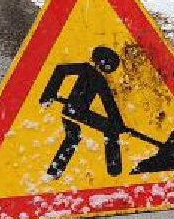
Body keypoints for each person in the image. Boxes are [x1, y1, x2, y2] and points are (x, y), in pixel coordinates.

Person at [38, 46, 126, 179]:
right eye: (106, 64)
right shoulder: (86, 69)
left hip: (77, 112)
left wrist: (118, 123)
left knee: (76, 135)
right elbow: (60, 69)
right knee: (89, 133)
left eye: (109, 66)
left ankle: (54, 172)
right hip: (74, 110)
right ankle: (114, 169)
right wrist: (48, 94)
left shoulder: (100, 80)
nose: (106, 68)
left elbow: (109, 104)